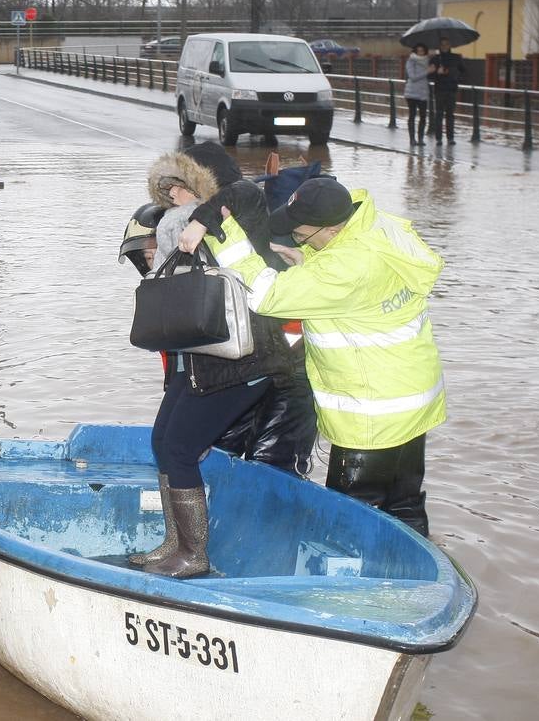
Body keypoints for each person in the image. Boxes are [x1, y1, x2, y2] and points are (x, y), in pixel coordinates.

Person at [201, 177, 446, 535]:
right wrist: (308, 258)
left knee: (350, 516)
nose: (295, 234)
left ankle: (352, 589)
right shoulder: (379, 226)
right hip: (412, 398)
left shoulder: (346, 268)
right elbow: (357, 282)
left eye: (301, 231)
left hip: (372, 411)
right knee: (404, 505)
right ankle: (417, 577)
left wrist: (225, 237)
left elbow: (268, 296)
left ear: (331, 229)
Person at [132, 147, 290, 578]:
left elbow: (245, 191)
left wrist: (202, 216)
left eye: (181, 186)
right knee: (163, 440)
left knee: (180, 448)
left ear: (201, 188)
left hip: (244, 362)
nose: (174, 196)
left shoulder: (237, 220)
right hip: (199, 363)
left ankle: (194, 554)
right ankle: (174, 541)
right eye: (166, 191)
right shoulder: (173, 234)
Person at [427, 37, 466, 144]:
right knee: (439, 114)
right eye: (442, 44)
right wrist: (436, 73)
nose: (444, 46)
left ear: (450, 45)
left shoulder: (456, 58)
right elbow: (429, 76)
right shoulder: (435, 59)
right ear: (439, 46)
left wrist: (455, 77)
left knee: (450, 115)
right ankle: (438, 138)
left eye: (446, 44)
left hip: (452, 89)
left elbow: (463, 72)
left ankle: (450, 138)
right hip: (439, 89)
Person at [404, 43, 430, 147]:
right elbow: (413, 77)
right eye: (418, 51)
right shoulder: (411, 61)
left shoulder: (428, 61)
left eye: (422, 51)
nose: (420, 53)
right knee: (412, 115)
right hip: (412, 93)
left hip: (423, 92)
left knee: (423, 116)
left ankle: (420, 139)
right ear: (415, 52)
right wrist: (427, 71)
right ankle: (412, 139)